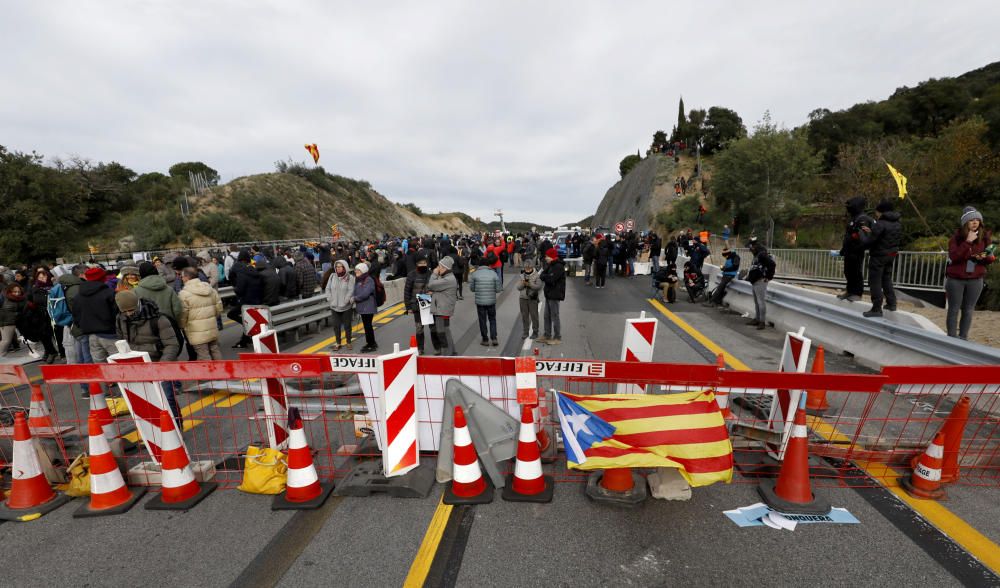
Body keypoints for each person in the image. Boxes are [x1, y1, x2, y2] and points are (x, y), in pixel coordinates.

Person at [114, 290, 182, 424]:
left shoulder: (159, 319)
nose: (129, 314)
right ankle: (156, 430)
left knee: (166, 399)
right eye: (125, 311)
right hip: (136, 366)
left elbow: (172, 344)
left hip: (159, 364)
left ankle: (176, 429)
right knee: (144, 401)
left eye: (131, 310)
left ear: (138, 304)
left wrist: (161, 366)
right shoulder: (120, 319)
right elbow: (122, 340)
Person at [945, 207, 994, 339]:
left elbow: (990, 258)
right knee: (954, 309)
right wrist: (968, 242)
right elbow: (954, 256)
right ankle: (951, 338)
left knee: (968, 310)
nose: (974, 222)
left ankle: (963, 338)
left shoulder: (985, 238)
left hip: (976, 279)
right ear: (965, 223)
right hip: (956, 279)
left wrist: (984, 256)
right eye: (971, 220)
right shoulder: (956, 238)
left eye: (977, 220)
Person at [860, 199, 902, 318]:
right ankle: (891, 303)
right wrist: (872, 231)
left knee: (875, 281)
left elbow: (869, 242)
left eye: (877, 212)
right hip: (891, 255)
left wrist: (862, 234)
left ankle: (876, 308)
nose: (876, 214)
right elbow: (886, 236)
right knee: (886, 279)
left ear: (882, 212)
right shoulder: (897, 223)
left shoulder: (881, 223)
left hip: (879, 256)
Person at [178, 267, 223, 360]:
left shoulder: (184, 294)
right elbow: (219, 308)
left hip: (195, 331)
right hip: (211, 327)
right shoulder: (210, 289)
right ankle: (222, 372)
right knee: (215, 350)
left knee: (203, 355)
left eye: (182, 276)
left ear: (186, 277)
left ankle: (210, 374)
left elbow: (183, 314)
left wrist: (182, 325)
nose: (181, 278)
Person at [838, 196, 872, 302]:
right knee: (848, 271)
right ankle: (849, 291)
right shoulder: (853, 218)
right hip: (848, 250)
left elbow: (863, 237)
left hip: (856, 251)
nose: (848, 208)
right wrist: (843, 249)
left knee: (856, 272)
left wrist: (856, 244)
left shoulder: (863, 219)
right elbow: (848, 235)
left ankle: (857, 293)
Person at [228, 250, 262, 349]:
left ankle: (247, 329)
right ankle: (244, 340)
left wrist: (235, 289)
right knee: (247, 318)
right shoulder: (253, 270)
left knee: (231, 314)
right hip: (256, 299)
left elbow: (240, 289)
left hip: (246, 300)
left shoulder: (239, 270)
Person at [426, 256, 459, 355]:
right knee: (445, 330)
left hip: (442, 309)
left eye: (439, 267)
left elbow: (431, 285)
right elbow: (440, 290)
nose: (437, 269)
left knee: (442, 332)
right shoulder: (447, 277)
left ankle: (447, 354)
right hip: (443, 307)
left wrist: (434, 274)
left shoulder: (448, 279)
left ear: (444, 268)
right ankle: (451, 351)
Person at [469, 257, 503, 346]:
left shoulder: (475, 274)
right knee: (492, 319)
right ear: (489, 264)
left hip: (480, 302)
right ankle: (494, 337)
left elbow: (472, 289)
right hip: (491, 301)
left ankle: (485, 339)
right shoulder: (493, 273)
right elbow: (498, 289)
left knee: (482, 320)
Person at [325, 259, 355, 351]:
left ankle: (348, 342)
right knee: (336, 326)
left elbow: (351, 290)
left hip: (346, 307)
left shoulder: (350, 277)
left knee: (347, 326)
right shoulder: (332, 276)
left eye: (340, 267)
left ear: (344, 267)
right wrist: (330, 299)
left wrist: (346, 301)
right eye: (336, 267)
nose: (337, 268)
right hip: (334, 306)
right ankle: (338, 343)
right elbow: (328, 288)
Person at [746, 239, 775, 330]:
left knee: (761, 302)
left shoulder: (762, 255)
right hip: (755, 281)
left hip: (760, 281)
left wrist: (768, 277)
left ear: (753, 247)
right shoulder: (757, 255)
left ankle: (762, 321)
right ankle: (757, 319)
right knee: (757, 302)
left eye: (750, 248)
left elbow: (772, 264)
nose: (750, 250)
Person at [538, 248, 565, 345]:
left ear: (552, 257)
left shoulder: (558, 266)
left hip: (555, 294)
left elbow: (551, 279)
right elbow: (542, 275)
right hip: (549, 294)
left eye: (547, 256)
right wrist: (546, 276)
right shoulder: (550, 265)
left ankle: (557, 337)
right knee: (546, 316)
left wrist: (546, 277)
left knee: (554, 316)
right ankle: (547, 335)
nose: (545, 258)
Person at [351, 263, 378, 353]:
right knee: (367, 326)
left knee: (368, 326)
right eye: (356, 270)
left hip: (368, 307)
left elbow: (365, 293)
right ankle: (370, 343)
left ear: (363, 271)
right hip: (363, 307)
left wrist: (355, 298)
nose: (356, 272)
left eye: (358, 271)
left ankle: (372, 344)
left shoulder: (368, 280)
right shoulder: (359, 280)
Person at [517, 260, 543, 338]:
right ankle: (525, 332)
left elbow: (538, 286)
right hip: (523, 298)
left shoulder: (537, 275)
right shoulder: (522, 275)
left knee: (534, 316)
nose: (527, 270)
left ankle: (535, 332)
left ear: (532, 267)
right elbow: (518, 287)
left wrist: (530, 284)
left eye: (529, 269)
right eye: (526, 269)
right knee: (524, 316)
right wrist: (523, 283)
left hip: (532, 298)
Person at [0, 283, 27, 357]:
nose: (17, 293)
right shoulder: (3, 297)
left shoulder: (22, 299)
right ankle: (1, 355)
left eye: (18, 292)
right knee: (6, 340)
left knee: (8, 340)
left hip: (15, 321)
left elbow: (23, 310)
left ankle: (3, 354)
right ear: (10, 291)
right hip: (6, 322)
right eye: (15, 292)